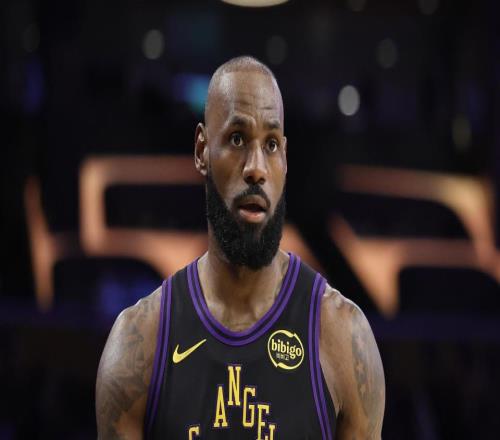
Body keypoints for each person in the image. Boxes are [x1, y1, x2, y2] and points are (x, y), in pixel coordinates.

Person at [96, 55, 385, 440]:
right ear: (202, 150)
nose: (256, 168)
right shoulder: (139, 344)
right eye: (237, 139)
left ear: (285, 159)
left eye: (271, 145)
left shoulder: (343, 338)